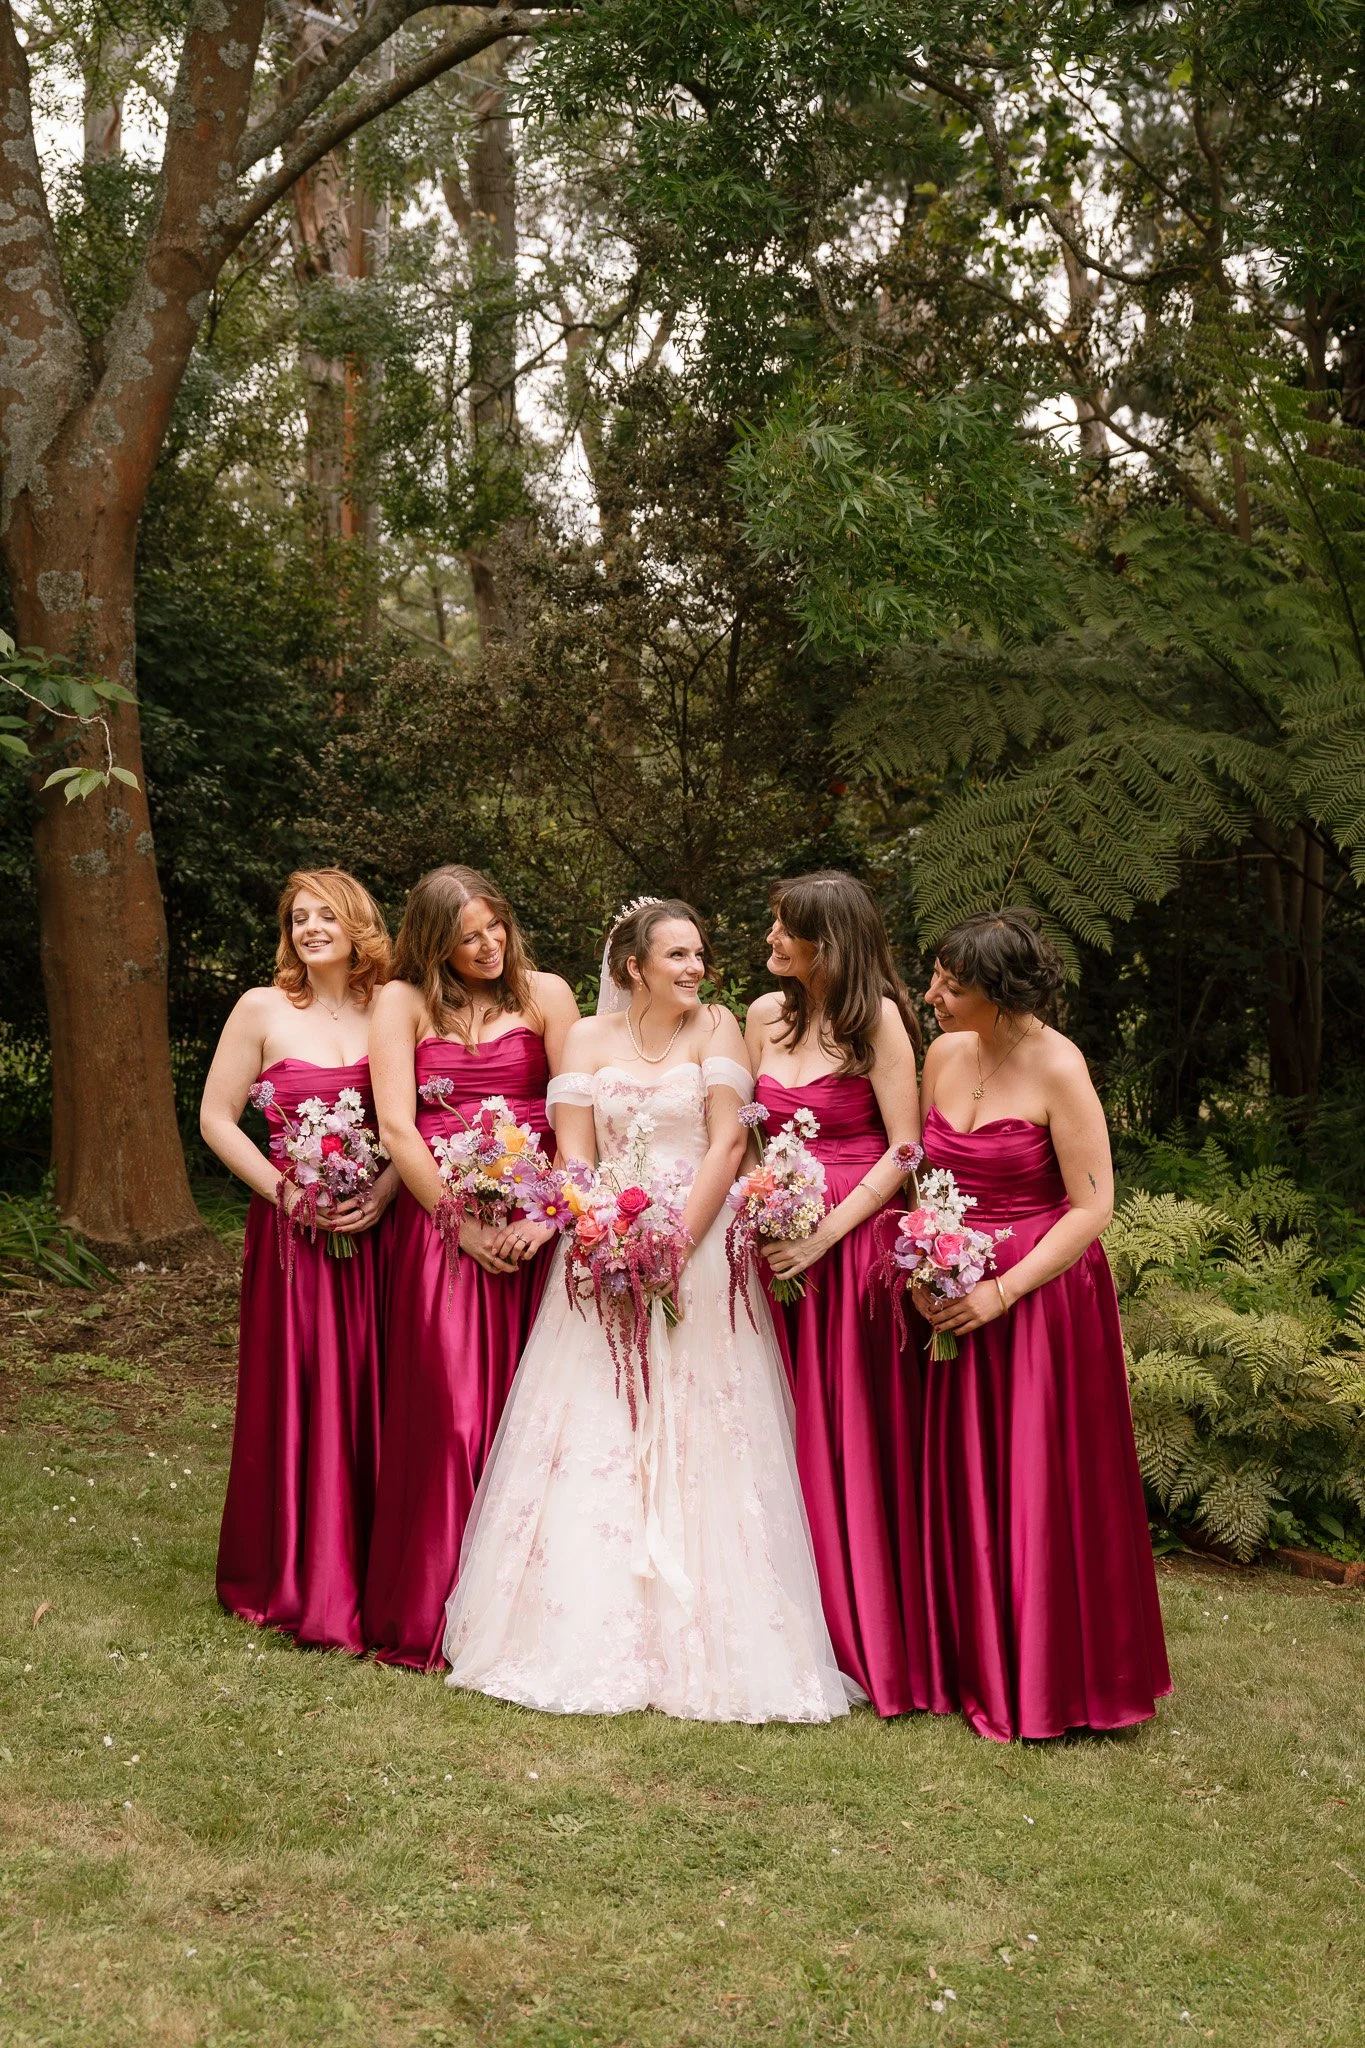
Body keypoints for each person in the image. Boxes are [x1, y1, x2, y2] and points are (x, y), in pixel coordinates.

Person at [443, 897, 851, 1722]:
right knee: (594, 1422)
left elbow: (728, 1141)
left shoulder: (718, 1030)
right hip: (601, 1245)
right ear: (633, 968)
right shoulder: (587, 1041)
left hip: (699, 1249)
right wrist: (598, 1229)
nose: (696, 968)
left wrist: (674, 1239)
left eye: (698, 954)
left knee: (707, 1424)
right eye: (677, 956)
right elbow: (575, 1151)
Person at [916, 908, 1171, 1741]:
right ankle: (967, 1661)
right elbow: (927, 1178)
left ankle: (1053, 1678)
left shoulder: (1059, 1065)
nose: (932, 997)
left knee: (1036, 1480)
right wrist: (921, 1263)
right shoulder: (944, 1054)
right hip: (948, 1280)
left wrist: (1002, 1291)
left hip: (1040, 1300)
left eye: (950, 987)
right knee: (964, 1471)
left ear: (996, 992)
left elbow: (1092, 1205)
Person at [362, 865, 579, 1670]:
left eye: (493, 928)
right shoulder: (402, 1003)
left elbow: (576, 1115)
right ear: (432, 943)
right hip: (442, 1237)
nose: (487, 946)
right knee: (451, 1420)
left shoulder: (547, 994)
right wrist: (460, 1227)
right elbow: (397, 1124)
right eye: (465, 937)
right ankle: (430, 1612)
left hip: (536, 1232)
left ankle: (531, 1618)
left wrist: (543, 1214)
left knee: (543, 1422)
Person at [745, 870, 930, 1717]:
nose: (771, 941)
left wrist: (823, 1235)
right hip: (771, 1245)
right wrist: (763, 1203)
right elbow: (747, 1131)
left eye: (787, 931)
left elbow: (904, 1151)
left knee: (842, 1430)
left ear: (830, 944)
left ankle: (863, 1628)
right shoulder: (762, 1016)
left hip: (852, 1250)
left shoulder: (879, 1022)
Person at [201, 867, 397, 1653]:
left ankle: (377, 1563)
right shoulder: (261, 1008)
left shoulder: (395, 1006)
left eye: (325, 915)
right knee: (301, 1385)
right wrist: (287, 1194)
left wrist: (384, 1190)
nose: (309, 928)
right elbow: (216, 1119)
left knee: (379, 1385)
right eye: (297, 918)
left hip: (380, 1229)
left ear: (358, 924)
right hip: (294, 1230)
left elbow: (415, 1119)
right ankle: (290, 1569)